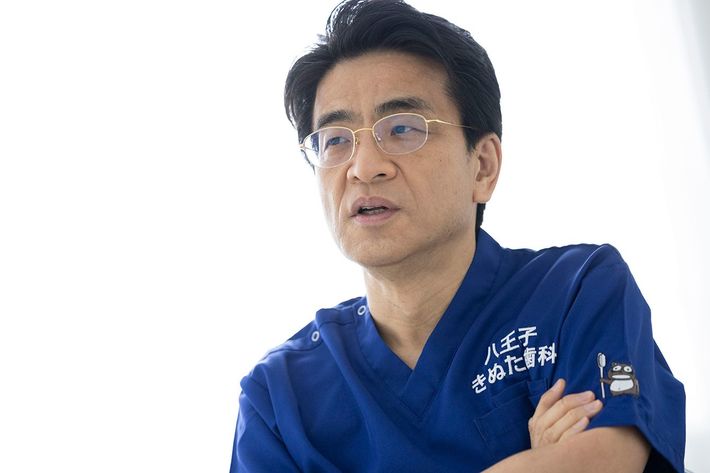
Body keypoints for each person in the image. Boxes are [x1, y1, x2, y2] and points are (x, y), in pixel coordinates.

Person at [230, 0, 685, 471]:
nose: (363, 168)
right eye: (336, 141)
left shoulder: (577, 291)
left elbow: (607, 458)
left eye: (402, 129)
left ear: (482, 166)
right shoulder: (280, 397)